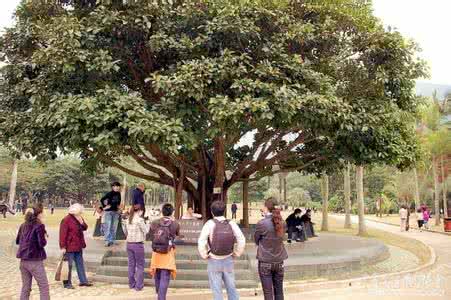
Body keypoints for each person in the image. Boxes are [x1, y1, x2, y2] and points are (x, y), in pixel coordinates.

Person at [198, 200, 245, 300]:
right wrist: (237, 253)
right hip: (228, 258)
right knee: (231, 287)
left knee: (216, 289)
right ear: (224, 211)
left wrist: (204, 254)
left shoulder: (209, 224)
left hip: (214, 260)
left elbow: (201, 241)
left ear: (212, 212)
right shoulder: (231, 223)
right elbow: (241, 239)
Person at [254, 198, 288, 300]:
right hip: (279, 261)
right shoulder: (283, 223)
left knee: (268, 293)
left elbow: (256, 240)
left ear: (266, 208)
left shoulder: (262, 223)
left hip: (265, 261)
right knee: (279, 291)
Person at [16, 204, 50, 300]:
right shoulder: (39, 225)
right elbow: (41, 244)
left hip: (23, 261)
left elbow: (18, 241)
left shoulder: (23, 225)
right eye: (43, 212)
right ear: (39, 214)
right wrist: (44, 236)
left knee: (25, 288)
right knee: (44, 286)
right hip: (35, 261)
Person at [149, 203, 180, 300]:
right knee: (165, 275)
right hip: (168, 252)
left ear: (162, 212)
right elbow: (177, 236)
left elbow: (150, 235)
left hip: (156, 252)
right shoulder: (175, 224)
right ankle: (161, 297)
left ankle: (159, 293)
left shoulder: (154, 222)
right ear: (172, 212)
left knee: (157, 272)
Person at [59, 203, 93, 289]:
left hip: (78, 245)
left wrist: (81, 222)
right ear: (75, 211)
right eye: (80, 212)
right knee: (68, 265)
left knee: (80, 264)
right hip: (69, 246)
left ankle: (83, 281)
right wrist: (63, 247)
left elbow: (85, 227)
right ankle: (67, 283)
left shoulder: (78, 218)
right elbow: (62, 234)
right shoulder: (66, 220)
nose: (81, 214)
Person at [122, 204, 150, 291]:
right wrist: (148, 223)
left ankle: (131, 284)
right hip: (138, 244)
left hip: (129, 244)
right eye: (142, 211)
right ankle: (139, 285)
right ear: (139, 211)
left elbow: (125, 232)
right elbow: (146, 231)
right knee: (140, 266)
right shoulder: (140, 220)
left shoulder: (127, 220)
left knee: (131, 265)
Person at [100, 182, 122, 247]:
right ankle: (107, 241)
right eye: (116, 186)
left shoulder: (119, 194)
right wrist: (105, 206)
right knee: (108, 227)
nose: (117, 187)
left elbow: (118, 203)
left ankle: (112, 240)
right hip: (108, 212)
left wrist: (118, 208)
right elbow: (102, 199)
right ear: (113, 187)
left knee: (114, 227)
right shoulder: (109, 193)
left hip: (115, 212)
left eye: (118, 186)